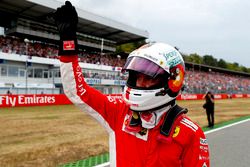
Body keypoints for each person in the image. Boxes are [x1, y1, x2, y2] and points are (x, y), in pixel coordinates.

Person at [54, 1, 210, 166]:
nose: (140, 82)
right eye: (136, 76)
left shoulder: (191, 134)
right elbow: (77, 91)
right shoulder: (119, 111)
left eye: (149, 77)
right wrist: (68, 43)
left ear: (172, 81)